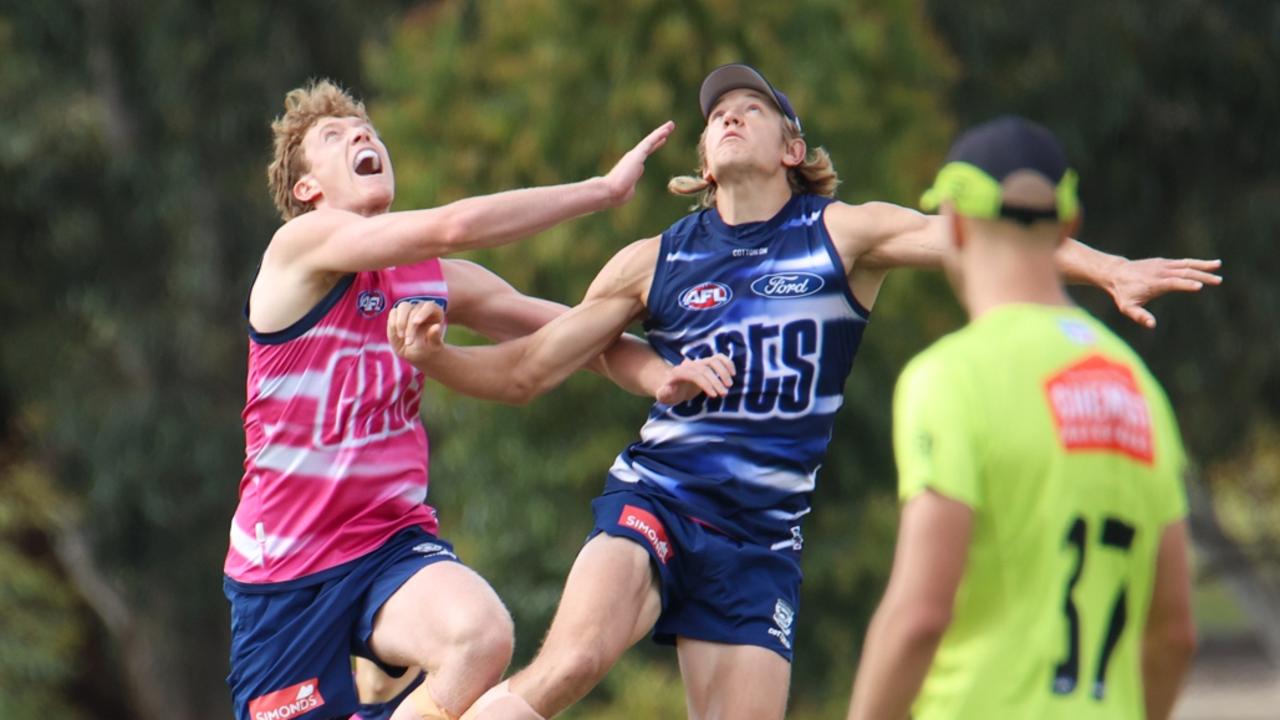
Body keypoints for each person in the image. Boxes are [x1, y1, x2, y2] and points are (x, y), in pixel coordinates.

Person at [389, 65, 1218, 720]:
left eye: (751, 107)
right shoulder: (656, 261)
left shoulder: (842, 236)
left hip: (762, 544)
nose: (729, 116)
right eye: (717, 115)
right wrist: (438, 362)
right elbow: (531, 370)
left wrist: (1112, 269)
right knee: (571, 661)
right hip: (661, 500)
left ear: (793, 148)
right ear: (705, 163)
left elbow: (988, 230)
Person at [224, 78, 716, 720]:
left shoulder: (429, 281)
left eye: (367, 130)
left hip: (385, 544)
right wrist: (601, 192)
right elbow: (455, 223)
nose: (363, 136)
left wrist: (666, 370)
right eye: (335, 136)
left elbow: (569, 331)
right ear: (306, 190)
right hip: (283, 577)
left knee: (481, 636)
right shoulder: (297, 251)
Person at [844, 117, 1197, 720]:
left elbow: (920, 617)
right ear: (1068, 225)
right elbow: (1174, 634)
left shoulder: (951, 378)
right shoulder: (1139, 388)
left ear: (953, 223)